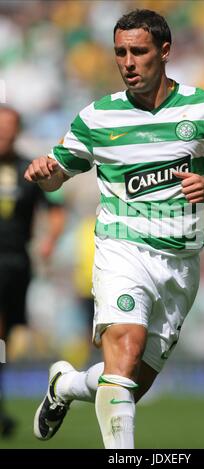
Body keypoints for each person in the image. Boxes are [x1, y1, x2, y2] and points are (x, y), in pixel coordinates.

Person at [24, 9, 204, 449]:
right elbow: (61, 170)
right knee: (125, 349)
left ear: (165, 51)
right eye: (120, 52)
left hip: (181, 261)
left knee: (130, 381)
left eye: (139, 51)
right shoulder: (97, 118)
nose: (128, 62)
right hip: (122, 248)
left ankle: (66, 386)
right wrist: (46, 171)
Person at [0, 106, 65, 437]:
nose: (5, 133)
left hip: (15, 262)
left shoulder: (29, 168)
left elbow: (55, 210)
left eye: (11, 127)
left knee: (5, 338)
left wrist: (49, 241)